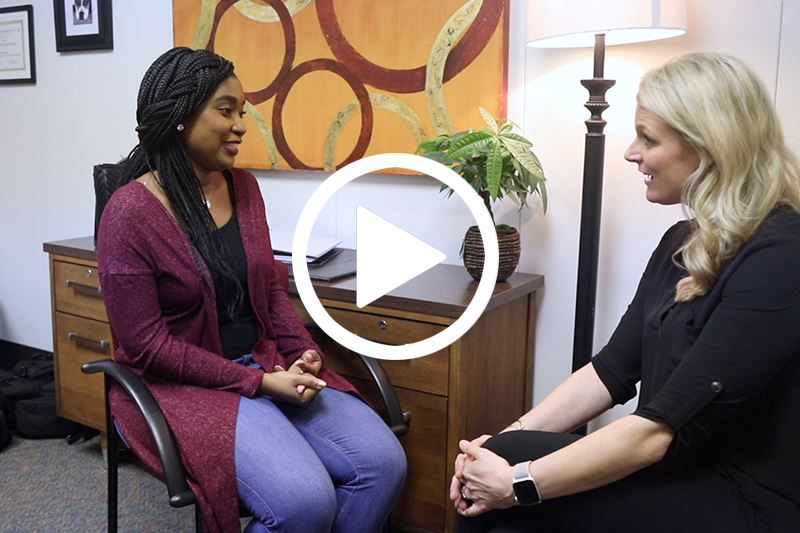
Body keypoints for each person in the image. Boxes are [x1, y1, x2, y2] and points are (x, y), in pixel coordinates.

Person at [451, 52, 800, 533]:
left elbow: (654, 434)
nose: (631, 152)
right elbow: (609, 371)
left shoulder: (781, 256)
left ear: (710, 146)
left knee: (510, 488)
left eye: (648, 138)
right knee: (495, 485)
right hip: (670, 471)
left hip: (740, 499)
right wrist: (497, 447)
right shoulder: (681, 243)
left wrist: (517, 481)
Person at [96, 47, 406, 533]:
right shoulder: (129, 214)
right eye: (226, 110)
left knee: (383, 464)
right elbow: (146, 347)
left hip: (264, 365)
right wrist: (259, 384)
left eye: (243, 111)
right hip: (183, 388)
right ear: (180, 115)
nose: (241, 124)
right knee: (305, 503)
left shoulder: (243, 189)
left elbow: (270, 294)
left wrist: (302, 352)